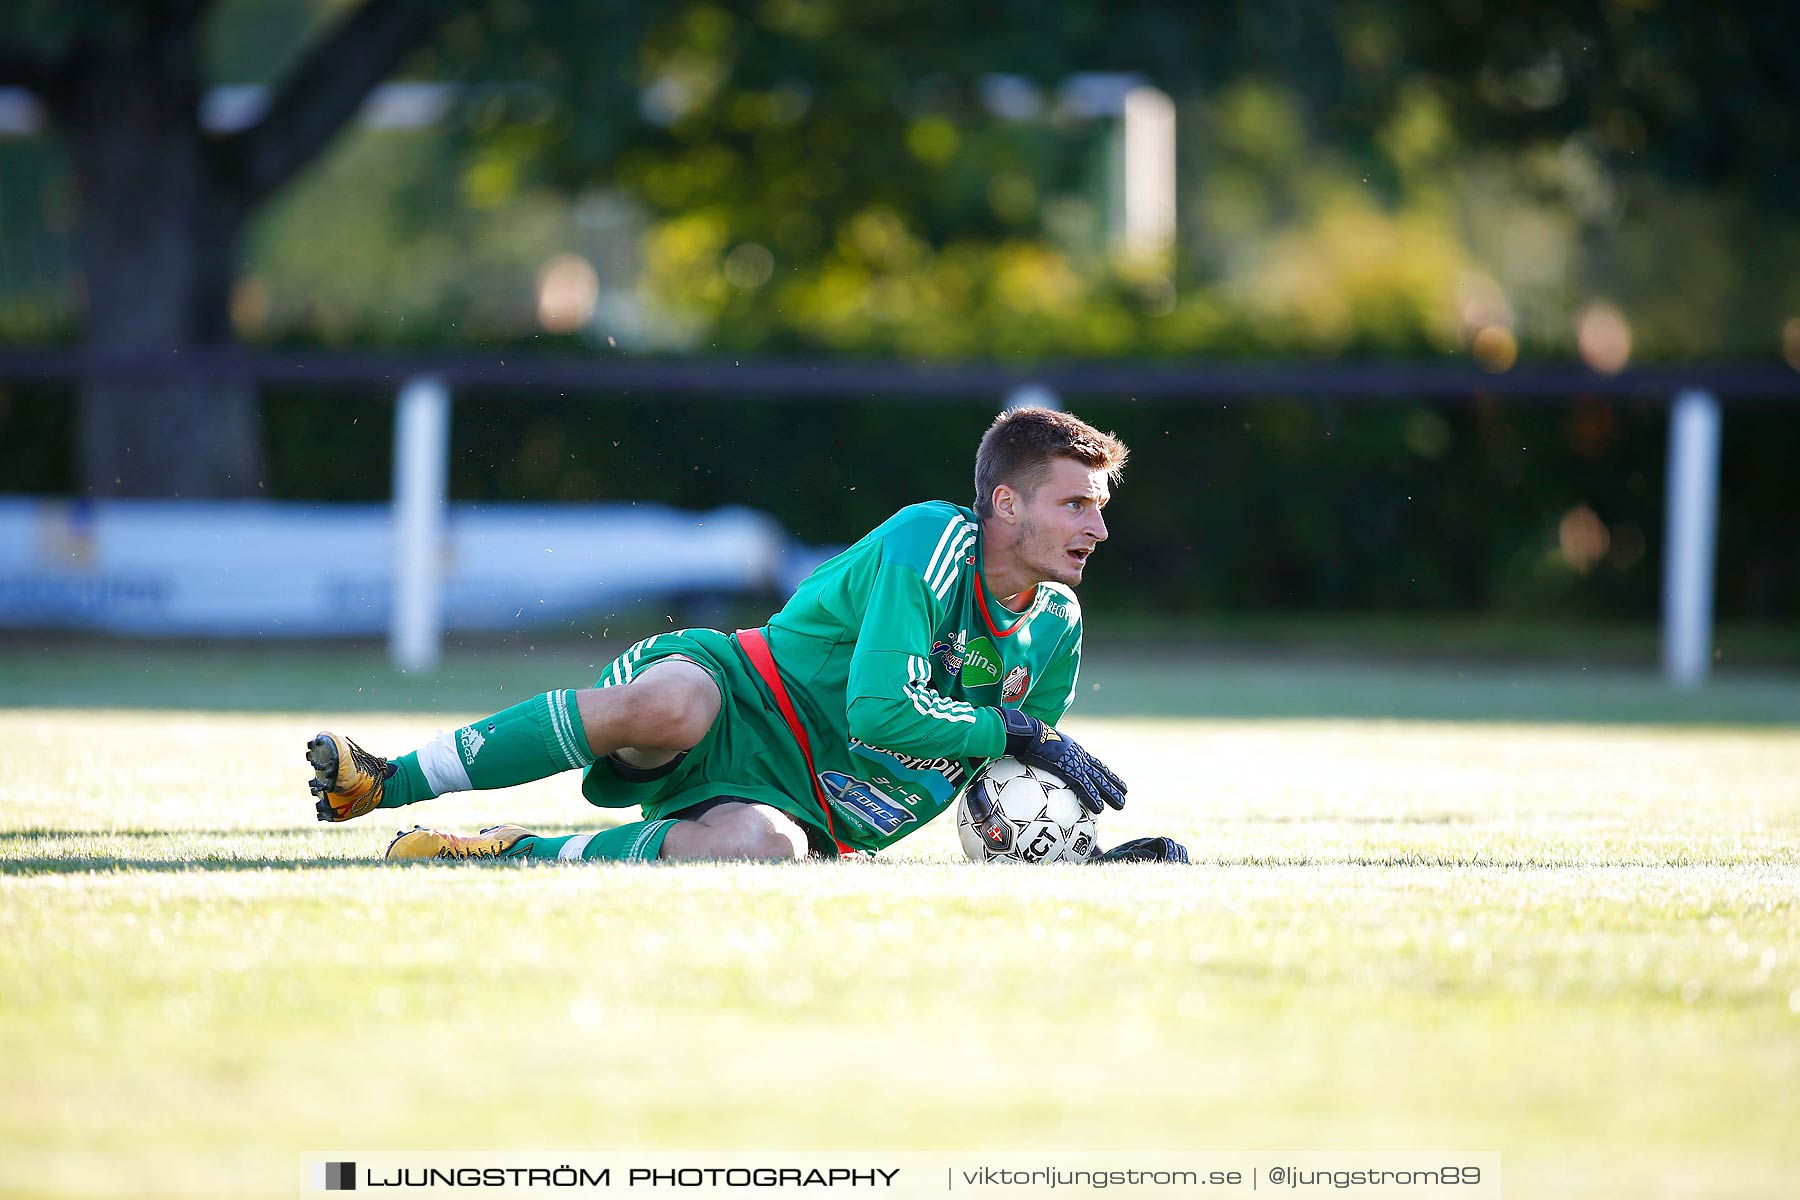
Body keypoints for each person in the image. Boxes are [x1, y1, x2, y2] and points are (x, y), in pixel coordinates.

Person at [308, 406, 1188, 865]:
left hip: (816, 811)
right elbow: (881, 713)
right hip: (740, 695)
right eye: (1076, 504)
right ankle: (386, 784)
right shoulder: (933, 539)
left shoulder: (1059, 627)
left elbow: (1008, 780)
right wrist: (1013, 728)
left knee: (761, 853)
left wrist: (1077, 851)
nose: (1097, 529)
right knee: (670, 704)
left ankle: (502, 853)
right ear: (1005, 503)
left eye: (1100, 509)